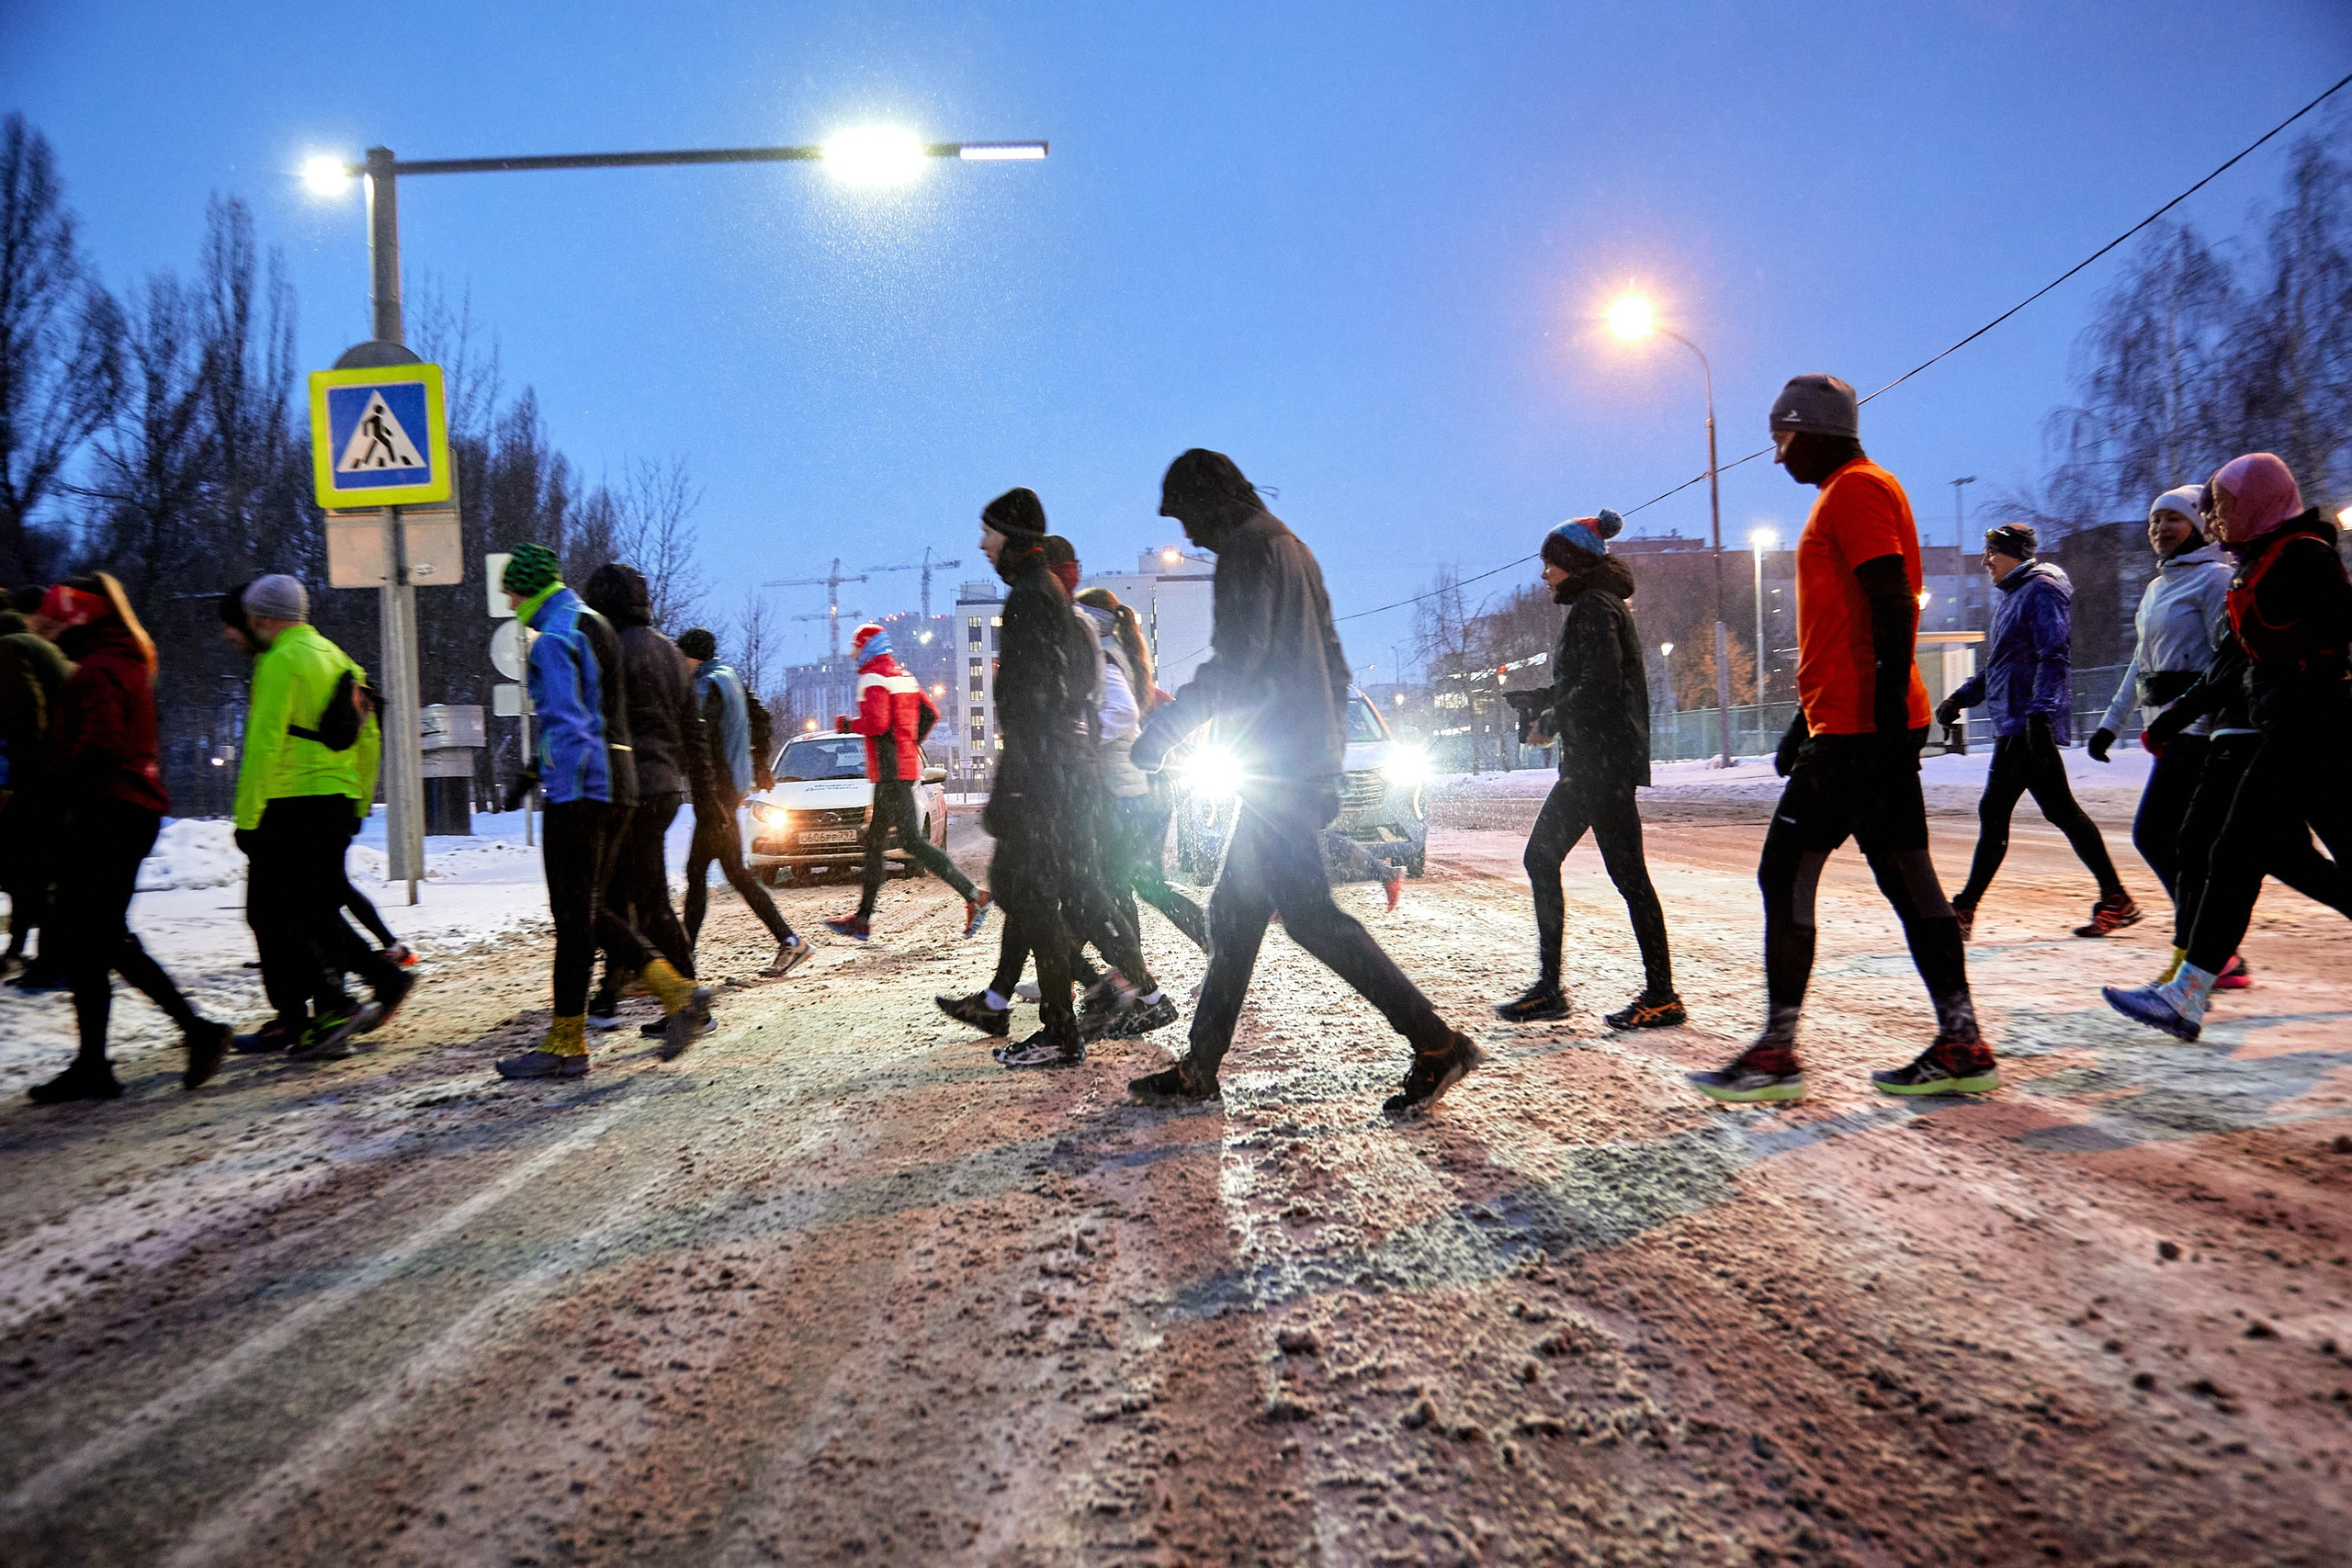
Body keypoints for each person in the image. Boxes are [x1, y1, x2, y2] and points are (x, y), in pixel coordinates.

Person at [1126, 450, 1479, 1117]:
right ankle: (1200, 1066)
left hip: (1282, 764)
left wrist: (1165, 729)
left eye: (1188, 518)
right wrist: (1329, 756)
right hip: (1296, 759)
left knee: (1313, 918)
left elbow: (1236, 665)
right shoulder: (1292, 546)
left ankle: (1437, 1043)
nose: (1189, 536)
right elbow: (1337, 665)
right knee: (1235, 914)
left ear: (1211, 501)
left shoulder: (1247, 550)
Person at [1689, 376, 1992, 1104]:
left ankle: (1776, 1052)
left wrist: (1880, 714)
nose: (1778, 456)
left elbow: (1889, 599)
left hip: (1861, 731)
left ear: (1815, 430)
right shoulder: (1852, 491)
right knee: (1910, 879)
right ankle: (1962, 1041)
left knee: (1784, 871)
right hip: (1855, 724)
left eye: (1783, 438)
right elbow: (1849, 621)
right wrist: (1806, 720)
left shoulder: (1855, 489)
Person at [2105, 454, 2352, 1042]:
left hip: (2315, 734)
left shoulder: (2303, 559)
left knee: (2234, 850)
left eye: (2221, 504)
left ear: (2257, 504)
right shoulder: (2259, 563)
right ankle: (2187, 993)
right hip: (2288, 735)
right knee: (2260, 854)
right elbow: (2230, 664)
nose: (2214, 515)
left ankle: (2187, 994)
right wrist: (2169, 722)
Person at [938, 545, 1177, 1045]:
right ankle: (1018, 999)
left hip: (1098, 794)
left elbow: (1111, 717)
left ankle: (1120, 995)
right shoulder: (1086, 637)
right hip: (1086, 789)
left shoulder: (1085, 639)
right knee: (1051, 896)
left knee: (1075, 900)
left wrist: (1068, 747)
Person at [494, 545, 710, 1077]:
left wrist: (558, 789)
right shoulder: (594, 626)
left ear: (526, 589)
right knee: (588, 909)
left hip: (583, 790)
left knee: (574, 914)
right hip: (625, 784)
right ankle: (673, 989)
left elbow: (569, 724)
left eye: (511, 589)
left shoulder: (554, 638)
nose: (508, 598)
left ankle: (568, 1043)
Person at [24, 574, 230, 1101]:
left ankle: (194, 1032)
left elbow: (100, 746)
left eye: (50, 620)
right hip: (123, 812)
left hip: (106, 814)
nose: (41, 629)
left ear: (76, 620)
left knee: (96, 937)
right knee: (93, 940)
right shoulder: (124, 662)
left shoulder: (97, 671)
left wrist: (50, 781)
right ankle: (100, 1060)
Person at [1494, 509, 1683, 1030]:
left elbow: (1599, 686)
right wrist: (1540, 699)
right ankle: (1591, 989)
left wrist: (1551, 718)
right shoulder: (1597, 605)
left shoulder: (1595, 608)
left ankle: (1636, 994)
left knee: (1577, 866)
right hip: (1599, 763)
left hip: (1599, 765)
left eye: (1550, 564)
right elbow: (1590, 680)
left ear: (1573, 563)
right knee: (1608, 873)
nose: (1544, 574)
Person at [231, 574, 412, 1060]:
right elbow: (369, 737)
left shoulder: (279, 661)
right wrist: (358, 802)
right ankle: (341, 1001)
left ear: (263, 618)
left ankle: (343, 1001)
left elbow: (264, 743)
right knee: (312, 907)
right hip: (336, 799)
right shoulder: (340, 659)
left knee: (287, 912)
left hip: (291, 801)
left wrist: (247, 819)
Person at [1936, 523, 2139, 939]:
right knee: (2061, 811)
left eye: (1991, 551)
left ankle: (1964, 909)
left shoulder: (2041, 590)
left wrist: (2040, 715)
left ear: (2011, 552)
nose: (1985, 560)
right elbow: (2001, 666)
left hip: (2027, 723)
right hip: (2017, 720)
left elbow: (2054, 655)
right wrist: (1959, 698)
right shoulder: (2013, 596)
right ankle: (2117, 897)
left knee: (1995, 813)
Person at [580, 564, 716, 1038]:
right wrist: (704, 796)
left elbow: (596, 721)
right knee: (636, 897)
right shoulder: (669, 653)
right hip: (664, 790)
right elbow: (693, 733)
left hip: (626, 791)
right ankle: (619, 993)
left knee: (606, 899)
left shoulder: (609, 647)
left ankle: (677, 997)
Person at [2086, 488, 2234, 913]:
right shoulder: (2155, 588)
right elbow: (2141, 664)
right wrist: (2109, 726)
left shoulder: (2215, 579)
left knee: (2154, 834)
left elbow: (2223, 662)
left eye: (2174, 519)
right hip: (2166, 733)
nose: (2161, 529)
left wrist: (2196, 725)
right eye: (2155, 521)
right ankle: (2211, 949)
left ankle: (2207, 946)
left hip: (2195, 732)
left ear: (2199, 525)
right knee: (2188, 843)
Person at [820, 621, 989, 942]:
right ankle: (862, 918)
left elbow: (877, 721)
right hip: (902, 768)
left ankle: (974, 895)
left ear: (866, 647)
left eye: (856, 647)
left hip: (889, 771)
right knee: (875, 843)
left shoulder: (872, 677)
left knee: (910, 842)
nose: (853, 653)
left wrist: (847, 724)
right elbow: (930, 714)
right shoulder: (903, 676)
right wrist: (910, 745)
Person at [674, 626, 808, 973]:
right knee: (724, 872)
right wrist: (758, 764)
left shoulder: (705, 686)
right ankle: (788, 941)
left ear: (692, 657)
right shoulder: (730, 678)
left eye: (681, 657)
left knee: (713, 873)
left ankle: (685, 959)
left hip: (716, 793)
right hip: (728, 790)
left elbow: (698, 743)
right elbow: (761, 717)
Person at [0, 592, 70, 983]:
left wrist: (20, 783)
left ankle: (54, 960)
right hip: (55, 780)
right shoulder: (42, 651)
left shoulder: (11, 649)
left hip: (38, 783)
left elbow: (26, 722)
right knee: (37, 875)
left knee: (32, 874)